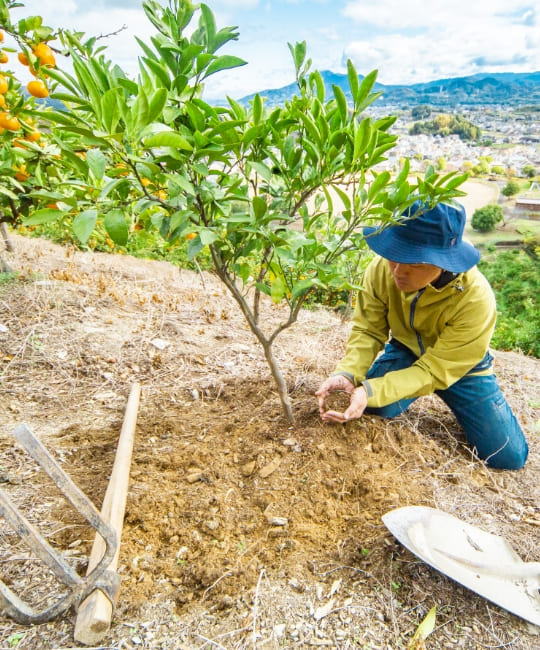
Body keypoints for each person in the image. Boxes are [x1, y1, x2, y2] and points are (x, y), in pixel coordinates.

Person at [315, 200, 529, 470]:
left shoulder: (476, 299)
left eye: (414, 262)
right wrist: (348, 373)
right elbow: (368, 330)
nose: (398, 270)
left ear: (444, 261)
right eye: (396, 254)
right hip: (406, 350)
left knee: (507, 457)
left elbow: (434, 371)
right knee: (372, 407)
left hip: (460, 367)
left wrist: (373, 389)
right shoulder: (382, 270)